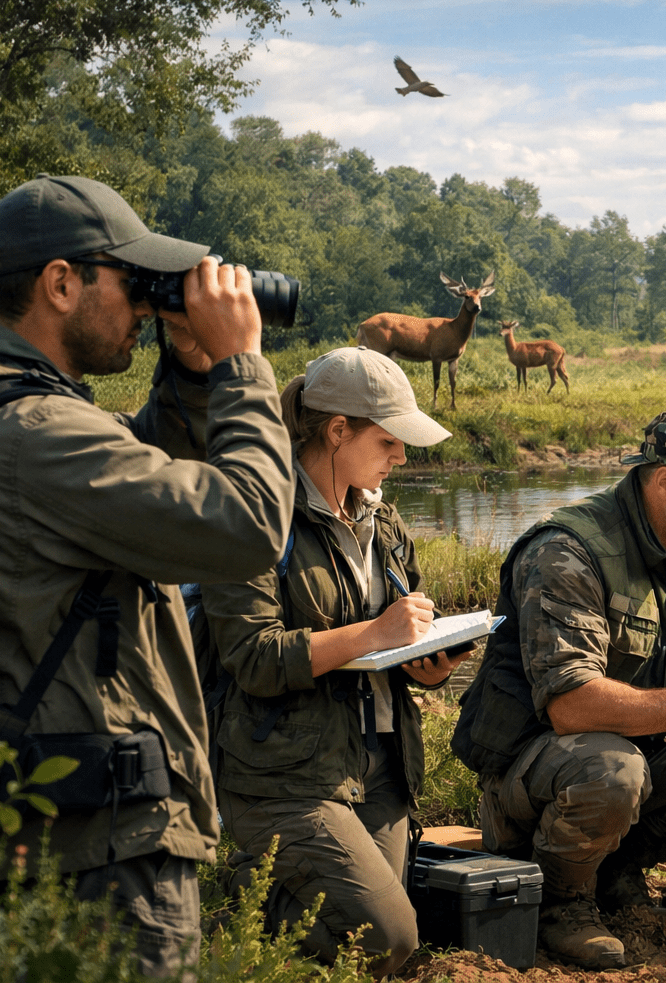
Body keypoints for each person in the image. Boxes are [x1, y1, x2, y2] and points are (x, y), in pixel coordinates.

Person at [0, 174, 294, 976]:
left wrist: (188, 375)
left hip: (28, 815)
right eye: (132, 281)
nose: (147, 306)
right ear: (60, 283)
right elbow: (246, 525)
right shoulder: (36, 434)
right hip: (97, 847)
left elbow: (141, 474)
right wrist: (243, 364)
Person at [450, 409, 666, 969]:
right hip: (537, 770)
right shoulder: (566, 551)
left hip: (639, 752)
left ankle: (612, 869)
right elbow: (570, 705)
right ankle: (562, 903)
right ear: (664, 482)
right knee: (612, 769)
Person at [202, 347, 465, 977]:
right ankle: (226, 912)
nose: (402, 455)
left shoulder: (382, 517)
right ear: (337, 431)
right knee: (391, 938)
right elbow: (255, 657)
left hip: (377, 759)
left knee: (379, 945)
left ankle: (257, 910)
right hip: (282, 772)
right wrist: (372, 635)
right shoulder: (256, 516)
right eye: (388, 439)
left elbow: (404, 625)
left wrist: (427, 662)